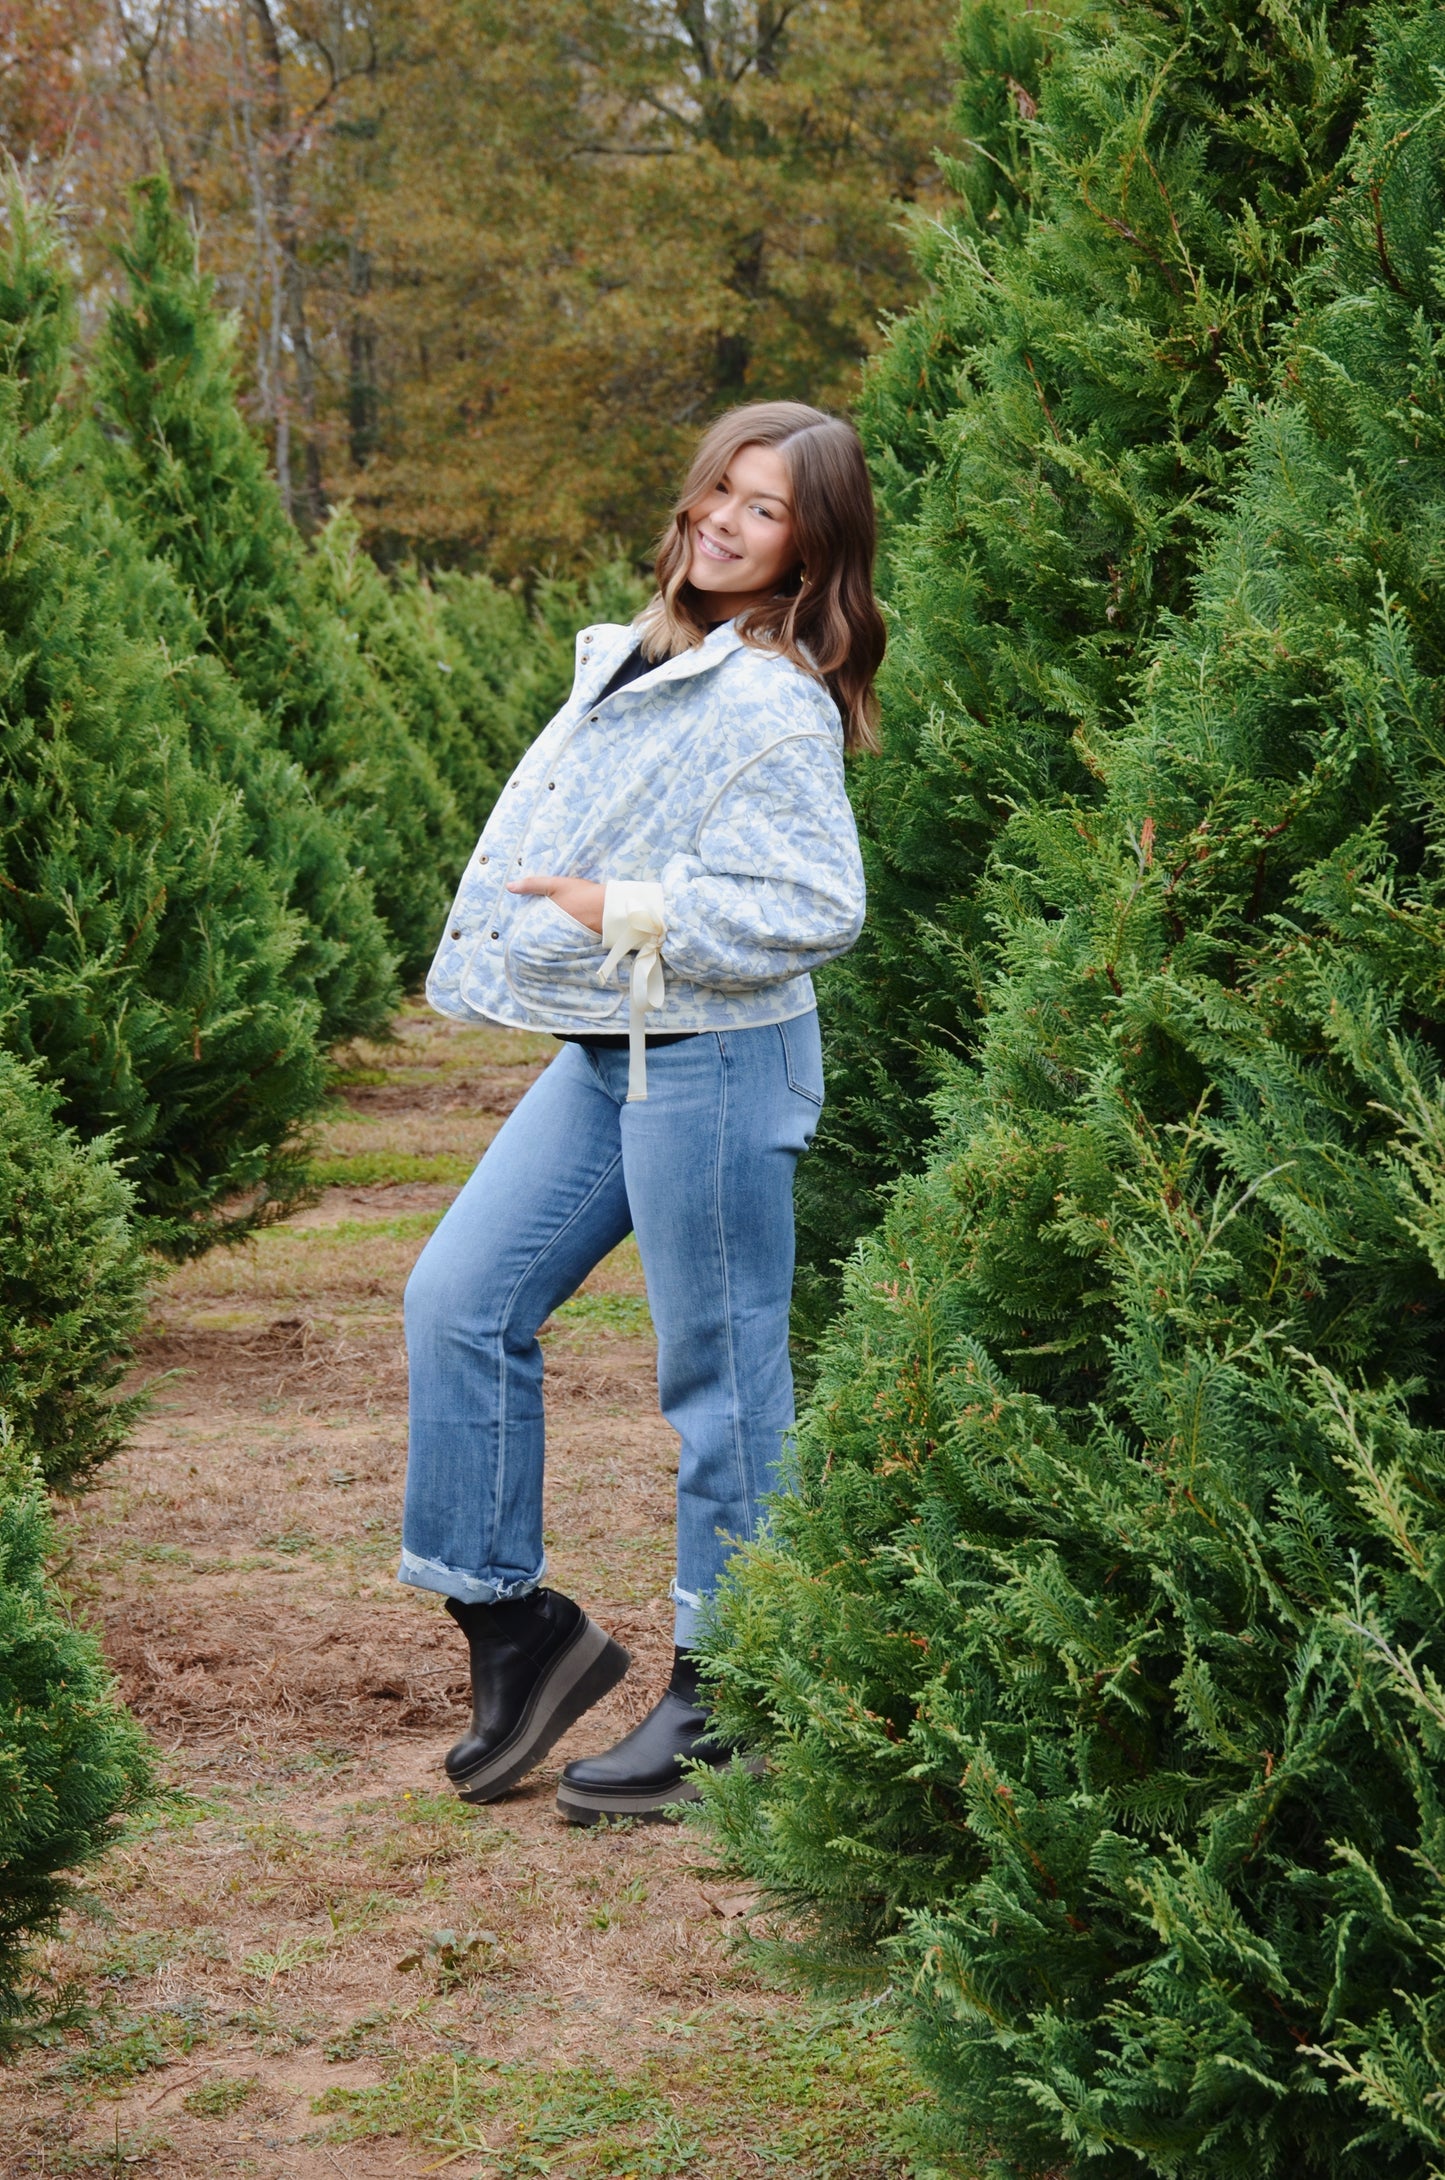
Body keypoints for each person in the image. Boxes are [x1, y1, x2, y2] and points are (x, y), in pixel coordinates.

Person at [401, 399, 883, 1824]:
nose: (724, 523)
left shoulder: (772, 697)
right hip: (611, 1053)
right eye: (717, 493)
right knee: (456, 1302)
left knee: (721, 1381)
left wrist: (631, 909)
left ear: (812, 546)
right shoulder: (643, 652)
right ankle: (514, 1624)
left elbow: (816, 906)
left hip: (718, 1064)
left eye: (766, 509)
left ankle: (730, 1689)